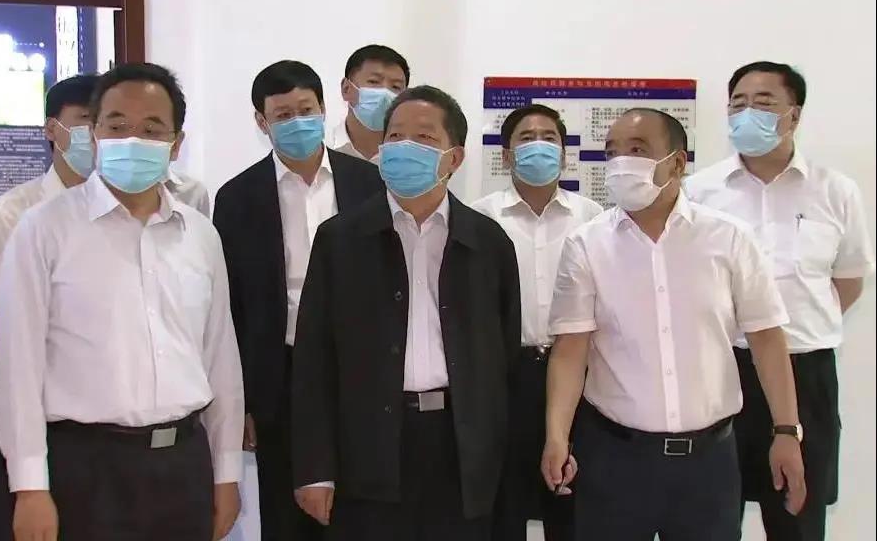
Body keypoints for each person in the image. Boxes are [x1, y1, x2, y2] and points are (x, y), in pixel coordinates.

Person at [0, 62, 244, 541]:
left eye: (151, 129)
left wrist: (226, 473)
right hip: (85, 469)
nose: (132, 139)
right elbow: (18, 366)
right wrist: (30, 488)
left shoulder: (200, 235)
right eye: (116, 125)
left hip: (183, 465)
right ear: (94, 134)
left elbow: (220, 359)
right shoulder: (43, 229)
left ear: (175, 144)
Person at [541, 108, 807, 541]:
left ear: (678, 163)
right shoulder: (586, 244)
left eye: (637, 150)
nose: (621, 162)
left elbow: (766, 338)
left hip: (709, 463)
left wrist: (786, 431)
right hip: (614, 460)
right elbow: (571, 351)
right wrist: (556, 436)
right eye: (612, 152)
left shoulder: (730, 237)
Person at [291, 85, 521, 540]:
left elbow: (504, 363)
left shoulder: (488, 242)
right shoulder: (340, 239)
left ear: (454, 158)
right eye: (395, 136)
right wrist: (315, 470)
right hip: (369, 444)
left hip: (460, 446)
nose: (405, 147)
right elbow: (313, 361)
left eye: (425, 138)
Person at [685, 61, 875, 541]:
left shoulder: (836, 191)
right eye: (738, 104)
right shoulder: (700, 191)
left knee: (797, 517)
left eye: (763, 103)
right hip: (724, 370)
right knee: (711, 514)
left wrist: (795, 327)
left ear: (795, 115)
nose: (747, 112)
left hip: (805, 371)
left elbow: (849, 279)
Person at [213, 60, 383, 541]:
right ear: (261, 121)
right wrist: (242, 400)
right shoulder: (237, 197)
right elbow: (232, 308)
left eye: (306, 110)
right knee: (287, 516)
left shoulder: (369, 183)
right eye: (283, 115)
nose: (297, 122)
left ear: (323, 108)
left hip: (361, 371)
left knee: (362, 510)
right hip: (279, 376)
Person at [0, 74, 96, 540]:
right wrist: (52, 385)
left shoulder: (127, 217)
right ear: (52, 130)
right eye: (84, 121)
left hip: (89, 419)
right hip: (11, 404)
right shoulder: (11, 214)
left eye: (104, 122)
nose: (96, 135)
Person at [472, 104, 602, 541]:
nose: (539, 146)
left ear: (564, 153)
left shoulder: (592, 216)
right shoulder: (481, 217)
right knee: (504, 506)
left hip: (579, 375)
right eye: (526, 138)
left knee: (571, 506)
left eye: (549, 138)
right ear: (506, 155)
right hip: (506, 376)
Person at [329, 44, 410, 163]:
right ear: (346, 89)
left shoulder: (410, 156)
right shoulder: (322, 148)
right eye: (374, 82)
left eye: (395, 87)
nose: (385, 94)